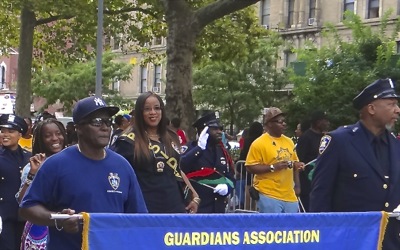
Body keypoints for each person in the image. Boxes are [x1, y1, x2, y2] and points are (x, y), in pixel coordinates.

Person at [19, 96, 148, 250]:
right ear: (78, 127)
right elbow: (27, 209)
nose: (105, 127)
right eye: (97, 122)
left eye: (108, 122)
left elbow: (139, 217)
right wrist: (58, 220)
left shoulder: (122, 166)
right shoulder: (55, 165)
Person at [310, 78, 400, 249]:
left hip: (390, 242)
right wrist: (324, 238)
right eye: (391, 104)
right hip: (350, 240)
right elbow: (320, 197)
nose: (397, 110)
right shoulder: (339, 141)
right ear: (371, 108)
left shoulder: (396, 146)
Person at [112, 92, 200, 213]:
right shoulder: (127, 141)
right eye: (147, 109)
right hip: (145, 209)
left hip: (175, 206)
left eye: (157, 108)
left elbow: (176, 169)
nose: (153, 112)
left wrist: (194, 196)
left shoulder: (170, 136)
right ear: (139, 112)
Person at [16, 118, 67, 250]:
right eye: (48, 136)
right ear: (40, 140)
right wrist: (33, 173)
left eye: (58, 133)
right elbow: (22, 202)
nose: (55, 138)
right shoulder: (33, 165)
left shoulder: (75, 163)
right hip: (39, 230)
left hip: (69, 226)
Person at [245, 107, 304, 213]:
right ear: (270, 124)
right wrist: (273, 167)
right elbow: (250, 167)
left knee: (289, 229)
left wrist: (298, 184)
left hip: (290, 196)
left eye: (284, 121)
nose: (284, 124)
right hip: (269, 195)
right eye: (280, 122)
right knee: (272, 228)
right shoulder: (259, 143)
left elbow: (295, 164)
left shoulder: (289, 141)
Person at [180, 112, 235, 213]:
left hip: (218, 208)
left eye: (220, 129)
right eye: (214, 129)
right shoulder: (191, 149)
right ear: (203, 131)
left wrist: (227, 187)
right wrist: (199, 149)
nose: (219, 132)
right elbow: (181, 167)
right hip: (198, 208)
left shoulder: (222, 151)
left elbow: (231, 177)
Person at [0, 114, 31, 250]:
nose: (5, 134)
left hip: (24, 217)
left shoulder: (29, 157)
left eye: (10, 131)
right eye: (2, 131)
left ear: (20, 134)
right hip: (3, 217)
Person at [296, 110, 329, 212]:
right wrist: (298, 186)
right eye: (325, 121)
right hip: (307, 184)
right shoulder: (305, 138)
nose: (327, 123)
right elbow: (298, 160)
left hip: (320, 182)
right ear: (318, 122)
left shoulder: (324, 137)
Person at [238, 121, 264, 210]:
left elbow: (243, 154)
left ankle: (247, 209)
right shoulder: (261, 141)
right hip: (260, 169)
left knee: (248, 189)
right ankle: (255, 208)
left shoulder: (246, 141)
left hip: (248, 169)